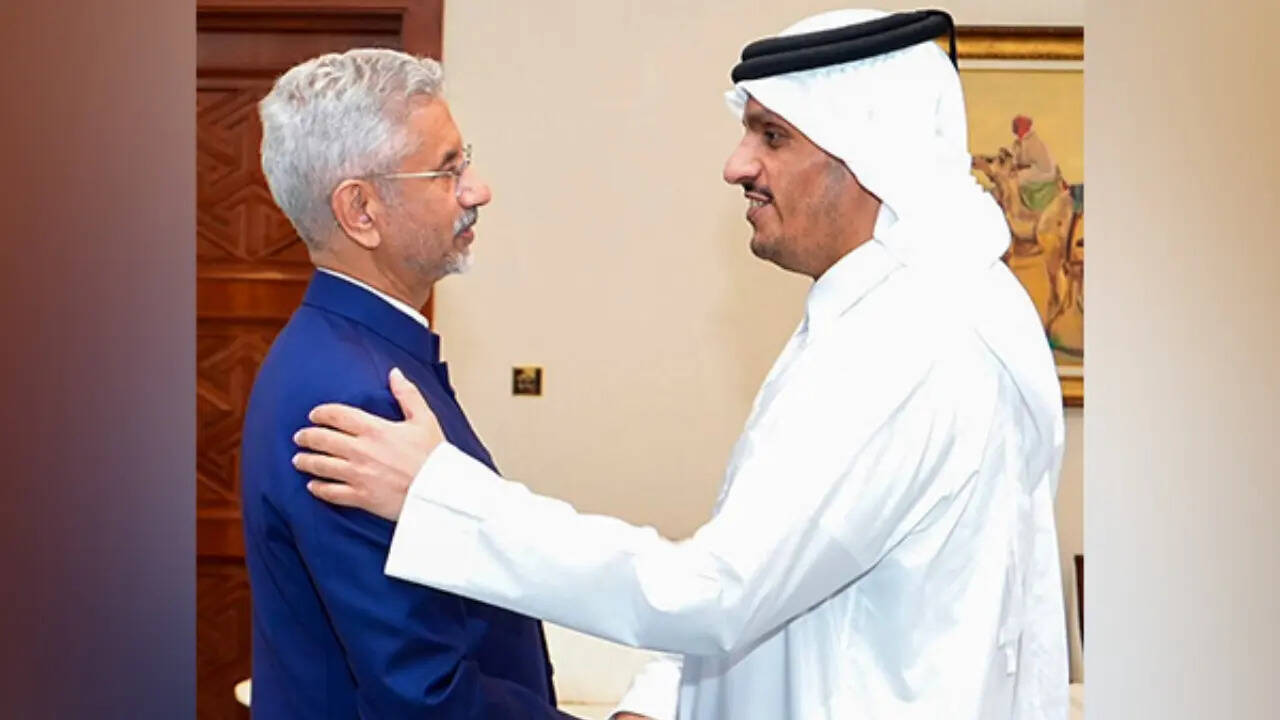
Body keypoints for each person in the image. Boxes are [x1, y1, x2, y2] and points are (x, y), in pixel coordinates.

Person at [293, 10, 1069, 719]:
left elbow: (720, 590)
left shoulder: (913, 346)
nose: (737, 166)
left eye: (772, 136)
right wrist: (661, 699)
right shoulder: (882, 314)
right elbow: (777, 576)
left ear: (868, 155)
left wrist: (440, 498)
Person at [240, 48, 575, 719]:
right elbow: (423, 693)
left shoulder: (358, 350)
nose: (478, 190)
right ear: (361, 210)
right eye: (448, 170)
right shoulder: (354, 398)